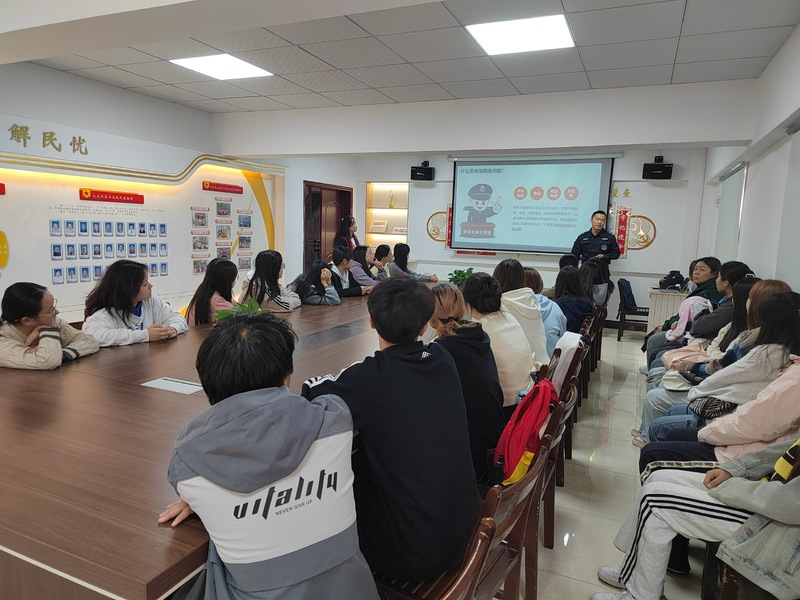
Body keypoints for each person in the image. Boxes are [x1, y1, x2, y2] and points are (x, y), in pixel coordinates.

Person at [157, 313, 379, 599]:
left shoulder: (188, 468)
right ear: (287, 377)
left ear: (208, 386)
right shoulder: (335, 421)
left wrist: (200, 497)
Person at [302, 277, 480, 581]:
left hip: (409, 554)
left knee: (334, 486)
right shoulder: (443, 357)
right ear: (424, 325)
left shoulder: (371, 377)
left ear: (371, 321)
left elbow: (312, 392)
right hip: (464, 529)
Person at [591, 439, 800, 600]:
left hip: (771, 526)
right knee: (659, 477)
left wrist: (732, 488)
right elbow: (782, 451)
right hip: (761, 499)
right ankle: (631, 573)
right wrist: (733, 469)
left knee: (657, 501)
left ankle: (642, 596)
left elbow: (790, 502)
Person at [635, 285, 797, 447]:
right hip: (716, 381)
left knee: (656, 393)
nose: (746, 302)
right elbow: (717, 350)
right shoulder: (750, 333)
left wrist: (692, 372)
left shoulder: (767, 350)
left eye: (750, 298)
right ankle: (646, 435)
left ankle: (648, 439)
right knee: (659, 370)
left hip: (724, 404)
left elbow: (724, 369)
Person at [429, 282, 505, 483]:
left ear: (430, 318)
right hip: (492, 439)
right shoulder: (479, 336)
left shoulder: (441, 351)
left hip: (470, 454)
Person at [462, 272, 534, 419]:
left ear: (467, 304)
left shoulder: (478, 330)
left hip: (504, 409)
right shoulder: (509, 317)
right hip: (526, 398)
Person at [642, 257, 726, 368]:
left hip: (694, 335)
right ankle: (651, 368)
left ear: (713, 274)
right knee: (655, 337)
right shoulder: (703, 289)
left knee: (654, 340)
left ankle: (651, 369)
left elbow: (690, 317)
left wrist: (666, 326)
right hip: (688, 330)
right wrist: (668, 324)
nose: (696, 272)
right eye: (695, 269)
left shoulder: (710, 292)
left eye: (702, 270)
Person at [83, 260, 187, 346]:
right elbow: (94, 336)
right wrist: (145, 335)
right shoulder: (105, 313)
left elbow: (177, 318)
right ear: (129, 290)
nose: (150, 286)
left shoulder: (150, 301)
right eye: (145, 284)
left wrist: (174, 328)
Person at [0, 282, 99, 369]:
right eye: (50, 310)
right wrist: (47, 331)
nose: (56, 312)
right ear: (27, 320)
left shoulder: (51, 322)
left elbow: (89, 341)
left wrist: (61, 353)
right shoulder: (3, 341)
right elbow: (48, 361)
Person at [492, 259, 549, 363]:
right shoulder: (532, 300)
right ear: (523, 279)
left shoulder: (500, 306)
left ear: (496, 279)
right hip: (543, 365)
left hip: (523, 369)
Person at [523, 266, 567, 357]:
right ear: (540, 284)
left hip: (528, 361)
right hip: (553, 361)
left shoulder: (512, 308)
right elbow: (563, 334)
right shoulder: (554, 306)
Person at [185, 258, 238, 326]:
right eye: (235, 277)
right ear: (227, 280)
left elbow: (234, 305)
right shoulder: (216, 300)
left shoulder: (204, 291)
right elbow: (238, 316)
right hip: (202, 332)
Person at [553, 266, 594, 333]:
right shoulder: (587, 304)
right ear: (578, 283)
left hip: (565, 338)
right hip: (579, 338)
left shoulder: (557, 306)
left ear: (559, 284)